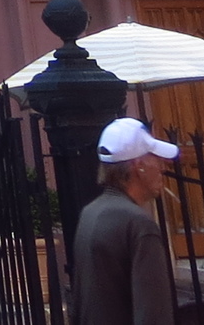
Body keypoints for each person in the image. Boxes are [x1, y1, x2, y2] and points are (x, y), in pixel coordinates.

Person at [71, 117, 178, 325]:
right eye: (156, 158)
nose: (163, 167)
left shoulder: (89, 213)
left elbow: (80, 304)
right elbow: (153, 316)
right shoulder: (139, 225)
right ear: (139, 166)